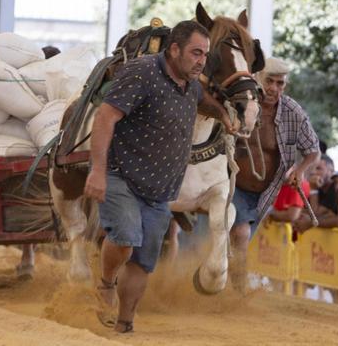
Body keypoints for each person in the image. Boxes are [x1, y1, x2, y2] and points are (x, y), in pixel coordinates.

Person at [83, 20, 234, 333]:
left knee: (143, 262)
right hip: (121, 176)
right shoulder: (142, 72)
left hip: (161, 192)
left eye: (204, 55)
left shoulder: (190, 85)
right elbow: (105, 117)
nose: (201, 60)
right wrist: (97, 171)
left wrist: (223, 115)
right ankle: (106, 281)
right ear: (175, 49)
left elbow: (202, 101)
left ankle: (124, 323)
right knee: (125, 239)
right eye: (195, 52)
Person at [229, 57, 320, 287]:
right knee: (240, 235)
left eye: (280, 83)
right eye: (270, 81)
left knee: (241, 240)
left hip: (266, 192)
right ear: (258, 78)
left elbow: (313, 151)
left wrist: (300, 170)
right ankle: (237, 291)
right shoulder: (240, 103)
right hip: (231, 184)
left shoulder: (293, 111)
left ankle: (223, 284)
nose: (274, 88)